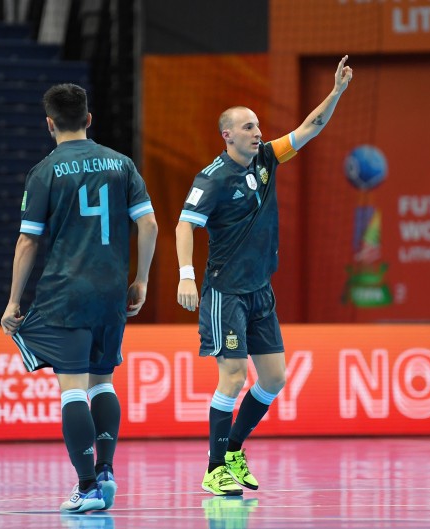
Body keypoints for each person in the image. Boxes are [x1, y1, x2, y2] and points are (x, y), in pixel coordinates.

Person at [175, 56, 353, 496]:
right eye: (249, 127)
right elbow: (184, 225)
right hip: (225, 291)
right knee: (233, 378)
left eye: (258, 126)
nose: (258, 132)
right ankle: (214, 468)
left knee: (274, 380)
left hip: (259, 290)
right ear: (227, 135)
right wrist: (185, 276)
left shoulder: (267, 159)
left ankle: (233, 449)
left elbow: (310, 127)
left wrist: (336, 92)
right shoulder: (211, 178)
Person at [0, 83, 158, 512]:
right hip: (110, 291)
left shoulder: (44, 171)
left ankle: (87, 485)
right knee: (102, 380)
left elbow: (28, 243)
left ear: (49, 124)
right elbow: (148, 225)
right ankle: (105, 470)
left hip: (65, 292)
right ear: (89, 119)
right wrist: (140, 279)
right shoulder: (122, 163)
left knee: (72, 389)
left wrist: (14, 301)